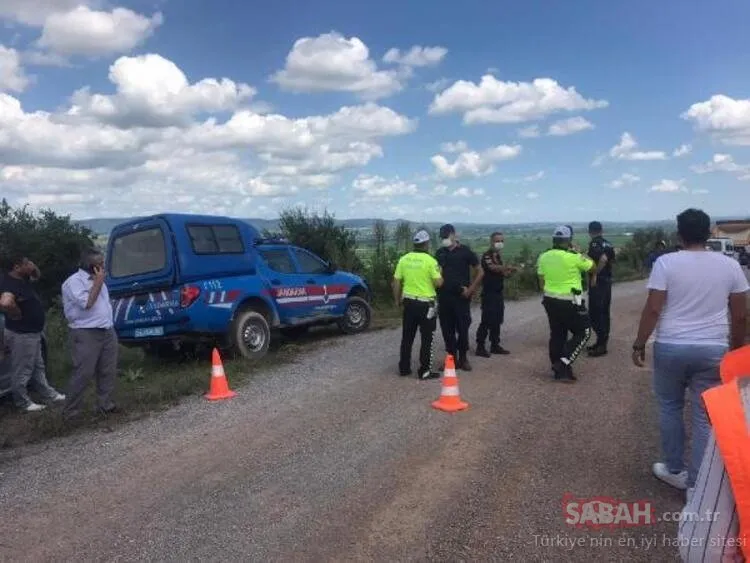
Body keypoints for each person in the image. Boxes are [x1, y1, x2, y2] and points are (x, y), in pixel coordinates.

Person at [631, 208, 748, 492]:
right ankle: (698, 485)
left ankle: (674, 469)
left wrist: (639, 342)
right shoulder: (729, 266)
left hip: (671, 345)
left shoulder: (666, 263)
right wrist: (734, 350)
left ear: (678, 234)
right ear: (709, 233)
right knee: (704, 415)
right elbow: (741, 315)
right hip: (712, 349)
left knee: (670, 407)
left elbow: (654, 308)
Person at [677, 371, 750, 562]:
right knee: (702, 420)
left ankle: (680, 473)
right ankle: (692, 483)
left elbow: (704, 549)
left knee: (670, 405)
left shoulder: (743, 404)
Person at [0, 255, 66, 412]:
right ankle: (22, 402)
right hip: (21, 333)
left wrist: (31, 267)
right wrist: (15, 313)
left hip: (32, 332)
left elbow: (37, 275)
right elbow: (5, 302)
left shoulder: (23, 279)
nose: (31, 265)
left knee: (37, 366)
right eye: (27, 263)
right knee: (23, 369)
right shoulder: (9, 284)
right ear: (16, 267)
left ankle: (48, 393)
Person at [61, 248, 119, 419]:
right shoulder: (74, 282)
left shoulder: (98, 279)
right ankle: (71, 411)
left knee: (107, 370)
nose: (103, 266)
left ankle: (105, 405)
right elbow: (87, 303)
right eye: (99, 264)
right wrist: (98, 282)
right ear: (90, 265)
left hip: (107, 329)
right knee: (83, 372)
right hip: (86, 332)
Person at [537, 226, 596, 383]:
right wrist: (579, 252)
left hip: (550, 299)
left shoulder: (543, 256)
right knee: (584, 332)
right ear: (569, 240)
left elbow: (541, 281)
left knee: (557, 334)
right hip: (571, 301)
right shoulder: (574, 256)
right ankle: (563, 363)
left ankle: (559, 371)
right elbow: (592, 267)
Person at [392, 230, 444, 380]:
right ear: (426, 244)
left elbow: (395, 281)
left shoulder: (404, 259)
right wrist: (440, 272)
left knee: (407, 337)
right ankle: (424, 371)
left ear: (415, 243)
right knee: (428, 338)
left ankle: (404, 368)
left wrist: (397, 300)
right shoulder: (431, 261)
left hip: (409, 303)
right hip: (427, 304)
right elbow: (438, 283)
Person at [435, 224, 483, 371]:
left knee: (462, 329)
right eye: (442, 237)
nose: (445, 240)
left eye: (447, 236)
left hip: (461, 298)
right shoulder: (440, 253)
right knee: (447, 330)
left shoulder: (465, 251)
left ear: (454, 235)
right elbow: (436, 274)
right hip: (444, 298)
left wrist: (471, 289)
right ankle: (451, 359)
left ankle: (463, 358)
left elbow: (480, 271)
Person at [475, 232, 516, 357]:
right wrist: (506, 267)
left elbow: (503, 273)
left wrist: (511, 272)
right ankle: (480, 346)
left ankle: (495, 345)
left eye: (502, 241)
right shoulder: (487, 256)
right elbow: (493, 268)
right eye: (497, 241)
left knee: (497, 320)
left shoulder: (498, 256)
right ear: (491, 242)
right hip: (489, 293)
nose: (500, 243)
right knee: (486, 320)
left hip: (498, 292)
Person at [586, 221, 616, 357]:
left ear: (590, 231)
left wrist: (595, 274)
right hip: (607, 281)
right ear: (601, 230)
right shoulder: (608, 244)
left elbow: (602, 259)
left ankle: (601, 345)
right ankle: (601, 342)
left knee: (595, 313)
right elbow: (609, 259)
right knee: (604, 312)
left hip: (598, 282)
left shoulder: (594, 243)